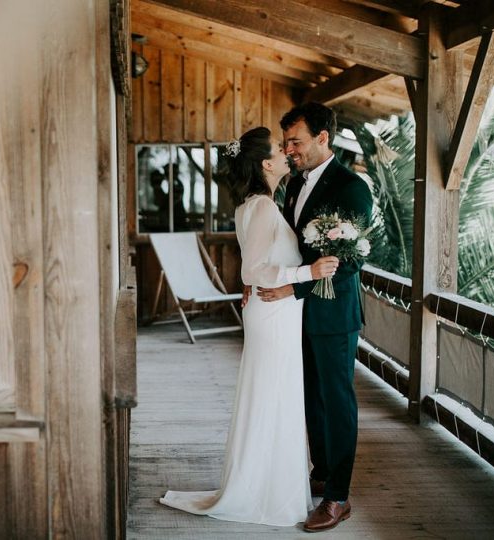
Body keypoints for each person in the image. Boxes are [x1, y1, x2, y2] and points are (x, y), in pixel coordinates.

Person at [159, 127, 338, 527]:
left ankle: (274, 486)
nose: (286, 152)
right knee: (272, 398)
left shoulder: (261, 203)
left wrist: (276, 282)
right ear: (265, 163)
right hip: (273, 312)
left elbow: (256, 266)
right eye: (279, 148)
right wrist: (306, 271)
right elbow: (254, 268)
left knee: (277, 397)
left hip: (278, 309)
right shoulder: (259, 206)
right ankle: (265, 493)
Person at [257, 103, 373, 532]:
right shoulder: (292, 183)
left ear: (323, 138)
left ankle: (338, 497)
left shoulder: (351, 187)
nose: (289, 150)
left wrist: (294, 287)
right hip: (297, 314)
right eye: (286, 142)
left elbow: (351, 261)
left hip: (334, 314)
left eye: (296, 142)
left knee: (338, 403)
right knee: (311, 399)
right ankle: (321, 472)